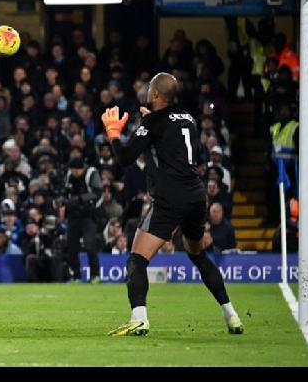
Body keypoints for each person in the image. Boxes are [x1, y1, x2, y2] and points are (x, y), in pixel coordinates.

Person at [101, 72, 243, 336]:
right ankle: (231, 314)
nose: (146, 91)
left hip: (170, 198)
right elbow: (177, 142)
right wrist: (149, 123)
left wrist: (113, 134)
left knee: (136, 260)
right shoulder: (188, 118)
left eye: (149, 88)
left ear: (155, 95)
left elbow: (125, 158)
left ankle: (139, 317)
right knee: (198, 255)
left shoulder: (153, 122)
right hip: (196, 196)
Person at [62, 157, 102, 283]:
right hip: (73, 215)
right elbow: (66, 192)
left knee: (89, 244)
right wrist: (63, 201)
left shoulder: (91, 173)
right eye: (72, 170)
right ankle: (76, 276)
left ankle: (95, 275)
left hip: (89, 215)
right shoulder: (69, 175)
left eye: (76, 170)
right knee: (71, 246)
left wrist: (79, 199)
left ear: (81, 169)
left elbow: (97, 193)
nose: (74, 173)